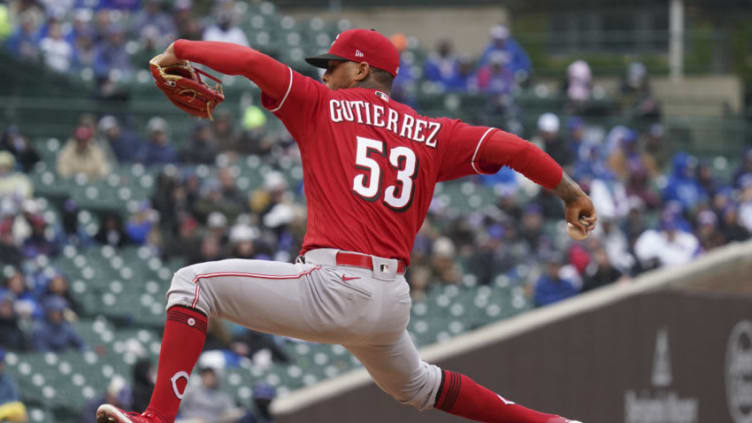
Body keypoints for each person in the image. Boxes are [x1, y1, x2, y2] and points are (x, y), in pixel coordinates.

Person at [96, 29, 595, 423]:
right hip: (389, 301)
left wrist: (179, 48)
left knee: (192, 283)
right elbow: (518, 149)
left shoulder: (319, 104)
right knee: (418, 385)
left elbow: (249, 63)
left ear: (360, 68)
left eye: (333, 65)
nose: (328, 74)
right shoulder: (433, 133)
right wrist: (570, 193)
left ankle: (157, 418)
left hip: (335, 285)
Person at [0, 348, 28, 422]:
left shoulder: (7, 381)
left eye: (1, 363)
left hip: (4, 412)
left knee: (19, 410)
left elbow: (15, 402)